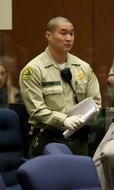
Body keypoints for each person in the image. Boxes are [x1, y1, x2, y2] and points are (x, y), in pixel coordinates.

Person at [19, 16, 101, 158]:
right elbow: (36, 110)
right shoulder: (33, 70)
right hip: (48, 140)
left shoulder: (83, 67)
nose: (69, 38)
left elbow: (96, 103)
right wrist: (64, 120)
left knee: (80, 179)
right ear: (48, 36)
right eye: (63, 33)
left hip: (78, 140)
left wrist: (85, 117)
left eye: (72, 33)